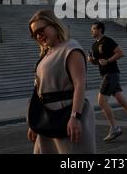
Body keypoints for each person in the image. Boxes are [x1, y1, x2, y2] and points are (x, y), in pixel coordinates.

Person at [27, 10, 96, 154]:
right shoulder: (47, 53)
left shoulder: (71, 48)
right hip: (47, 117)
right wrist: (34, 123)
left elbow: (79, 84)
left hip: (66, 114)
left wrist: (75, 117)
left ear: (54, 25)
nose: (39, 36)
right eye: (35, 34)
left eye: (41, 30)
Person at [88, 22, 127, 142]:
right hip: (106, 74)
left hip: (111, 74)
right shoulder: (94, 46)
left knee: (101, 101)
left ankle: (114, 128)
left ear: (100, 30)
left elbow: (120, 52)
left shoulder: (107, 41)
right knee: (122, 101)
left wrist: (108, 60)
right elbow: (99, 62)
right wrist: (91, 60)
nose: (92, 31)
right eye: (91, 29)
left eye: (94, 29)